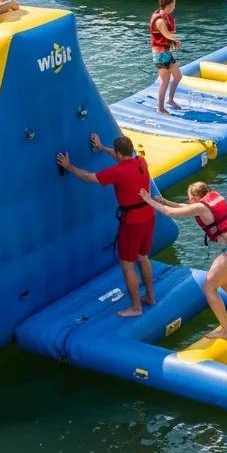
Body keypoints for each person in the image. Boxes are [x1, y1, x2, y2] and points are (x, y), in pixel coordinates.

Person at [56, 134, 157, 317]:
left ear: (118, 153)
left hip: (132, 221)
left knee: (127, 264)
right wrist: (102, 148)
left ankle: (136, 308)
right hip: (149, 215)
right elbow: (120, 157)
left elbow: (88, 177)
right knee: (142, 256)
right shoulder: (141, 162)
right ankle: (150, 297)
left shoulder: (118, 172)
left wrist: (68, 166)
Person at [139, 182, 227, 339]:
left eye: (189, 198)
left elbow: (170, 213)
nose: (188, 201)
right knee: (223, 280)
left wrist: (148, 200)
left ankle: (226, 331)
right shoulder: (208, 201)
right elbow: (181, 206)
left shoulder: (200, 207)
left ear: (194, 198)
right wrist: (164, 201)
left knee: (209, 288)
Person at [150, 0, 182, 114]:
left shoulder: (166, 16)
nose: (174, 6)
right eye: (173, 4)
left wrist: (174, 42)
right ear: (168, 5)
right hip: (160, 55)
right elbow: (166, 34)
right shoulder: (160, 21)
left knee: (178, 76)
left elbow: (168, 36)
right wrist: (177, 40)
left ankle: (170, 100)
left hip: (167, 53)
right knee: (165, 81)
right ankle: (160, 108)